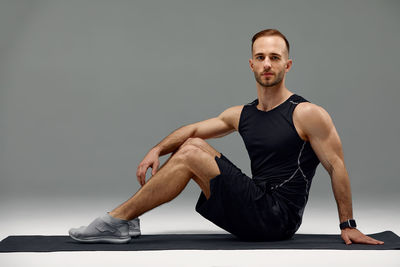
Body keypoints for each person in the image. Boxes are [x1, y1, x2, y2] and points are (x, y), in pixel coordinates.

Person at [69, 29, 384, 245]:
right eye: (260, 57)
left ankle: (117, 220)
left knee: (193, 151)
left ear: (287, 65)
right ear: (251, 64)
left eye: (275, 57)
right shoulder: (242, 114)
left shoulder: (306, 113)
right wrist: (156, 149)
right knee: (191, 145)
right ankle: (127, 220)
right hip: (255, 206)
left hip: (279, 219)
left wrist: (348, 225)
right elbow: (192, 130)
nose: (267, 63)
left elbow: (337, 165)